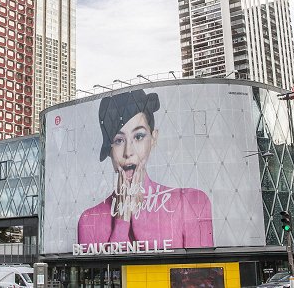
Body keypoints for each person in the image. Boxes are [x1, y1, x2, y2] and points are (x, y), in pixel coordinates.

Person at [77, 90, 214, 247]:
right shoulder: (89, 219)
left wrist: (141, 224)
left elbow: (201, 269)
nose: (129, 152)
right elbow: (109, 271)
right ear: (109, 150)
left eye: (139, 136)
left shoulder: (193, 202)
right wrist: (121, 223)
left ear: (153, 138)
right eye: (119, 140)